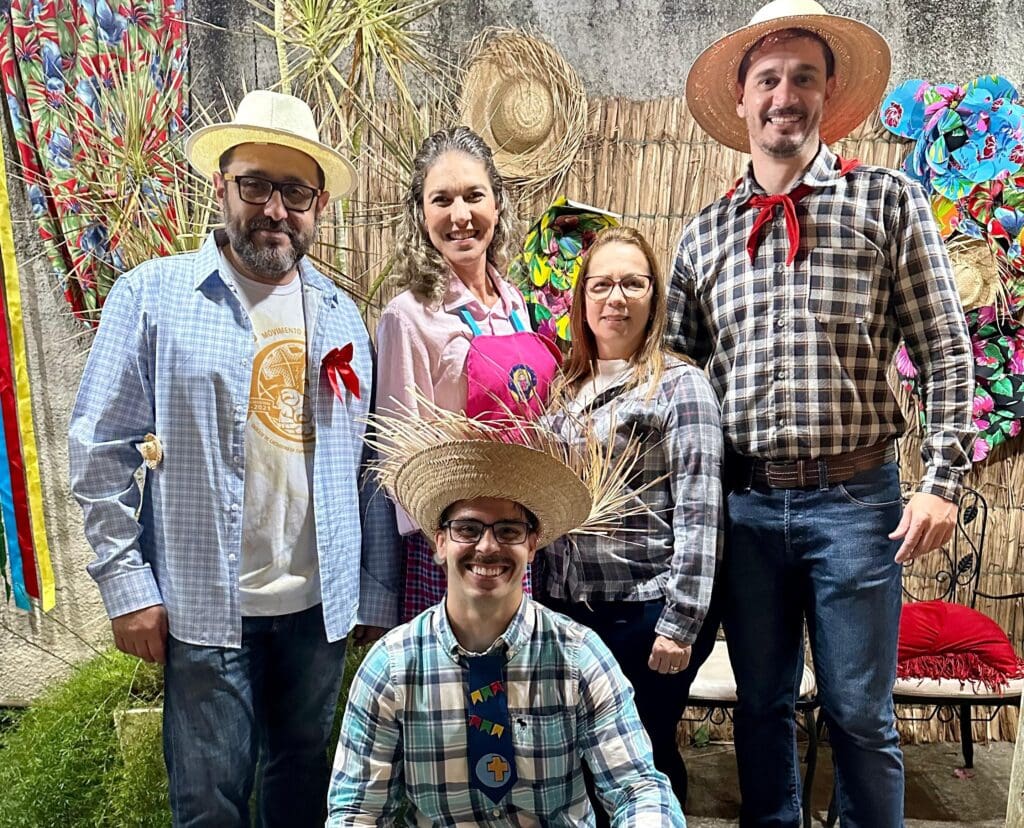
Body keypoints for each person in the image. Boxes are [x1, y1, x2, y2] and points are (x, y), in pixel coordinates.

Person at [672, 2, 975, 825]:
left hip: (857, 504)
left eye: (804, 78)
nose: (785, 96)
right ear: (742, 98)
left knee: (858, 714)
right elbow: (674, 381)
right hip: (745, 506)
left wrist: (942, 482)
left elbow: (948, 352)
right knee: (761, 706)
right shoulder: (703, 236)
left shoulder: (889, 202)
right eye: (768, 79)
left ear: (829, 92)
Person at [68, 90, 400, 827]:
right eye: (255, 185)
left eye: (295, 192)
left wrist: (372, 593)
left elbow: (368, 468)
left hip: (317, 611)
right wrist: (127, 585)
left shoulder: (342, 316)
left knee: (301, 784)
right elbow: (98, 448)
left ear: (318, 205)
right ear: (221, 187)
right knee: (209, 802)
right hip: (204, 608)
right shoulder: (153, 297)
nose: (274, 209)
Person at [327, 405, 686, 826]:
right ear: (439, 542)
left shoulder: (578, 657)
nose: (487, 547)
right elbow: (357, 812)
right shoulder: (391, 668)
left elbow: (637, 788)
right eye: (467, 529)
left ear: (532, 546)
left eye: (508, 531)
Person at [541, 226, 723, 811]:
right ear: (582, 298)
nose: (615, 298)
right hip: (568, 608)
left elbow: (701, 509)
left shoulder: (679, 386)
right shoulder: (565, 387)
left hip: (644, 611)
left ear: (654, 296)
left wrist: (682, 622)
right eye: (601, 285)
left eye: (632, 284)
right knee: (580, 765)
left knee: (642, 761)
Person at [377, 125, 561, 621]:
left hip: (517, 534)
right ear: (421, 215)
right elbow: (398, 461)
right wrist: (455, 542)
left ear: (497, 205)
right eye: (442, 200)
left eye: (474, 196)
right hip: (452, 547)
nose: (460, 215)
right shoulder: (409, 316)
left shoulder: (515, 304)